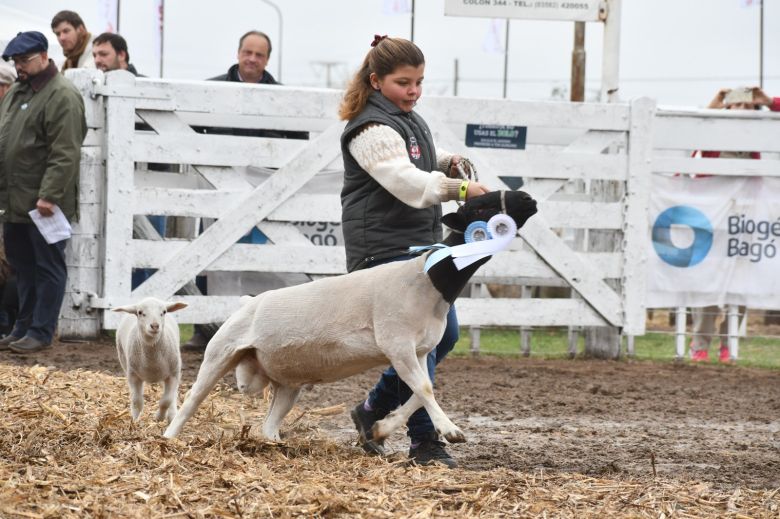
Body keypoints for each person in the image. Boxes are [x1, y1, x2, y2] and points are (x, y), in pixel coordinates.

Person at [339, 35, 489, 468]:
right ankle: (425, 443)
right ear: (376, 81)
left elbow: (418, 155)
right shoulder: (369, 128)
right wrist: (458, 187)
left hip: (415, 247)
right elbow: (402, 177)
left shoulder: (405, 117)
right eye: (404, 82)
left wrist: (447, 161)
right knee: (419, 345)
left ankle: (370, 412)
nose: (414, 91)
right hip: (383, 248)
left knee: (442, 337)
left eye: (420, 82)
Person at [184, 30, 306, 351]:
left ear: (267, 59)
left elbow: (296, 141)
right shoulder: (212, 89)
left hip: (263, 194)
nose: (252, 59)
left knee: (259, 260)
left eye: (259, 55)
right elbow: (190, 132)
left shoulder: (282, 97)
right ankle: (206, 327)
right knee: (211, 254)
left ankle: (255, 329)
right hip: (218, 190)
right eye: (247, 52)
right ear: (238, 53)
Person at [0, 31, 87, 353]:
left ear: (43, 56)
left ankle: (41, 329)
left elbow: (65, 151)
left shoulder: (61, 94)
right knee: (22, 265)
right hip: (15, 198)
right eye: (15, 61)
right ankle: (22, 327)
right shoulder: (19, 91)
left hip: (44, 204)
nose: (19, 66)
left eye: (24, 60)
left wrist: (49, 195)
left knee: (48, 266)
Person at [689, 86, 778, 362]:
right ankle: (700, 343)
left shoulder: (759, 140)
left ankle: (728, 343)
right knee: (709, 281)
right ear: (727, 110)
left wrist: (769, 102)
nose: (742, 111)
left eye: (749, 107)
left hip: (745, 218)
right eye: (736, 106)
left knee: (739, 282)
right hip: (715, 218)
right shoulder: (714, 138)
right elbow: (694, 127)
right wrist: (713, 103)